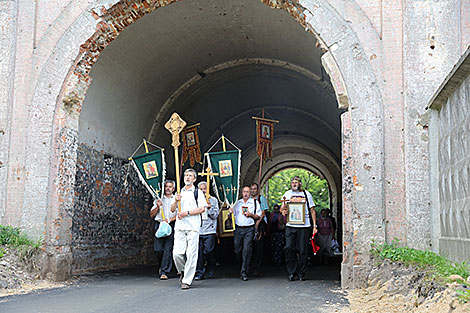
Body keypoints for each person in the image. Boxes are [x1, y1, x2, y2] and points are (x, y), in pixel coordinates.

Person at [171, 169, 208, 290]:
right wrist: (176, 201)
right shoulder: (179, 192)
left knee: (191, 254)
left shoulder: (197, 192)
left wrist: (186, 213)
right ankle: (182, 270)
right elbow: (172, 209)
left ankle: (186, 280)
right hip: (180, 226)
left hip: (193, 226)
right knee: (177, 253)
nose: (187, 177)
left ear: (194, 179)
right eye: (186, 175)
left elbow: (202, 209)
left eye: (190, 176)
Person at [280, 176, 317, 281]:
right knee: (288, 248)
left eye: (296, 182)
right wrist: (283, 212)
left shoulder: (306, 194)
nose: (294, 184)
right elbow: (282, 209)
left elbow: (312, 210)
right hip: (290, 225)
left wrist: (314, 226)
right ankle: (291, 272)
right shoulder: (287, 194)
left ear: (300, 184)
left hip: (304, 226)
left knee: (302, 250)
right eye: (292, 182)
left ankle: (302, 273)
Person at [229, 186, 261, 281]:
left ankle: (244, 272)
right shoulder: (237, 203)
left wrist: (251, 215)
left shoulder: (254, 202)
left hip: (249, 229)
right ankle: (241, 266)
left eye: (247, 192)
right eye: (244, 192)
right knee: (237, 250)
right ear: (241, 193)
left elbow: (258, 216)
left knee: (247, 250)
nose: (246, 193)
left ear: (250, 193)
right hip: (238, 229)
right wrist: (230, 212)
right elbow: (231, 217)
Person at [149, 180, 177, 280]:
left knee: (167, 250)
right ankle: (162, 265)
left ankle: (165, 271)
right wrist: (157, 206)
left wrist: (169, 220)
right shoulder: (159, 199)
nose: (168, 188)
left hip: (171, 224)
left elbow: (179, 215)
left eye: (170, 187)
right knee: (158, 249)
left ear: (173, 189)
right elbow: (152, 215)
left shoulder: (176, 199)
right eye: (166, 186)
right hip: (160, 224)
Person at [195, 181, 220, 280]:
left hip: (209, 230)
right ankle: (200, 272)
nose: (202, 191)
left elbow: (215, 215)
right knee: (199, 252)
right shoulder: (195, 200)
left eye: (204, 188)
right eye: (200, 189)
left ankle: (210, 266)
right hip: (198, 229)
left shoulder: (213, 200)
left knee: (208, 251)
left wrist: (209, 208)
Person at [250, 183, 268, 276]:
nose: (253, 190)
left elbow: (263, 212)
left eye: (255, 189)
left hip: (259, 223)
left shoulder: (261, 199)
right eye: (251, 189)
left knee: (258, 246)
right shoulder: (247, 200)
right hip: (249, 223)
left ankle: (256, 267)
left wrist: (257, 223)